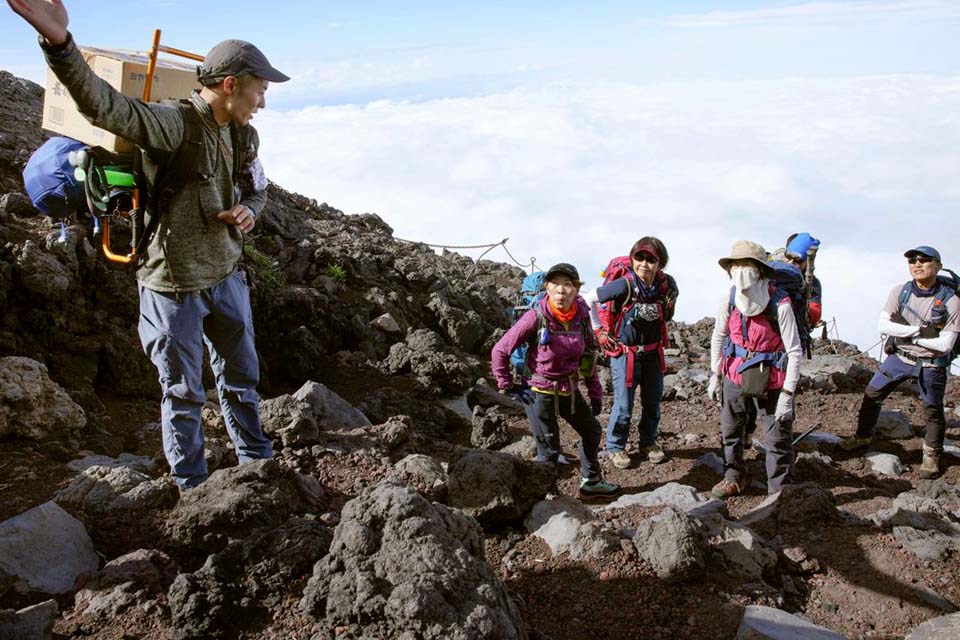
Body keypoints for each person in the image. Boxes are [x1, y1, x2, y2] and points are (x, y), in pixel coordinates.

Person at [9, 0, 288, 488]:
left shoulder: (245, 137)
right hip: (172, 285)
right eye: (259, 90)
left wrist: (250, 210)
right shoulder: (173, 125)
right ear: (229, 85)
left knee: (241, 377)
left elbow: (258, 188)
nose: (262, 102)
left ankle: (256, 461)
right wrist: (59, 45)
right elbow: (105, 106)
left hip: (226, 276)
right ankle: (192, 488)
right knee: (182, 393)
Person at [492, 263, 621, 501]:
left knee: (591, 430)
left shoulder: (581, 318)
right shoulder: (536, 316)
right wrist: (507, 384)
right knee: (549, 448)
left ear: (576, 290)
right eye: (556, 284)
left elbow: (588, 357)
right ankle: (547, 496)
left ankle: (591, 483)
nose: (562, 290)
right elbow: (500, 350)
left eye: (568, 284)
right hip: (538, 391)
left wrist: (595, 392)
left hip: (568, 389)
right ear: (547, 287)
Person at [838, 246, 959, 479]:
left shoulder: (951, 300)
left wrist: (906, 334)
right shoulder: (900, 292)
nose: (917, 264)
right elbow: (883, 325)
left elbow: (946, 345)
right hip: (900, 357)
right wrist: (919, 332)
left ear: (938, 266)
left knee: (933, 410)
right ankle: (862, 437)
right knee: (872, 394)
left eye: (924, 260)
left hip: (931, 363)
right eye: (913, 260)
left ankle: (932, 454)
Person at [707, 240, 802, 498]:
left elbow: (794, 351)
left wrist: (787, 395)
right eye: (736, 265)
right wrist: (715, 375)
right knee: (731, 430)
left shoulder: (780, 304)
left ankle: (779, 493)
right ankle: (734, 475)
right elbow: (719, 335)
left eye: (747, 265)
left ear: (760, 270)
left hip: (772, 378)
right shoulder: (728, 299)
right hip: (734, 372)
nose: (741, 270)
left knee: (777, 439)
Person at [582, 237, 678, 469]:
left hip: (653, 353)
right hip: (626, 354)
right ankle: (616, 447)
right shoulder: (624, 285)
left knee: (652, 402)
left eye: (651, 259)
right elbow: (588, 299)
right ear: (633, 259)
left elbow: (668, 314)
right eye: (639, 257)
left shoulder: (667, 285)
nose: (644, 263)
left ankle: (648, 443)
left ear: (660, 263)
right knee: (624, 405)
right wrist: (599, 331)